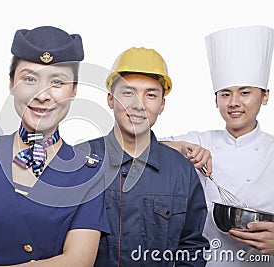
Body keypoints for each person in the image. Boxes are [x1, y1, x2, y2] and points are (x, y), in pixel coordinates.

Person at [0, 25, 110, 267]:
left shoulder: (87, 172)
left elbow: (78, 262)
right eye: (29, 79)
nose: (42, 95)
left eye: (57, 82)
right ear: (11, 83)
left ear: (74, 90)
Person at [76, 47, 209, 266]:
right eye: (128, 93)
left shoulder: (181, 171)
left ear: (162, 105)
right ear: (110, 99)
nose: (138, 105)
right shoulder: (79, 161)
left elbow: (192, 249)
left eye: (151, 95)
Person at [161, 25, 274, 266]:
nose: (234, 103)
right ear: (215, 100)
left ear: (265, 96)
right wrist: (181, 147)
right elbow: (141, 147)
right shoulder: (200, 140)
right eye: (225, 94)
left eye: (245, 93)